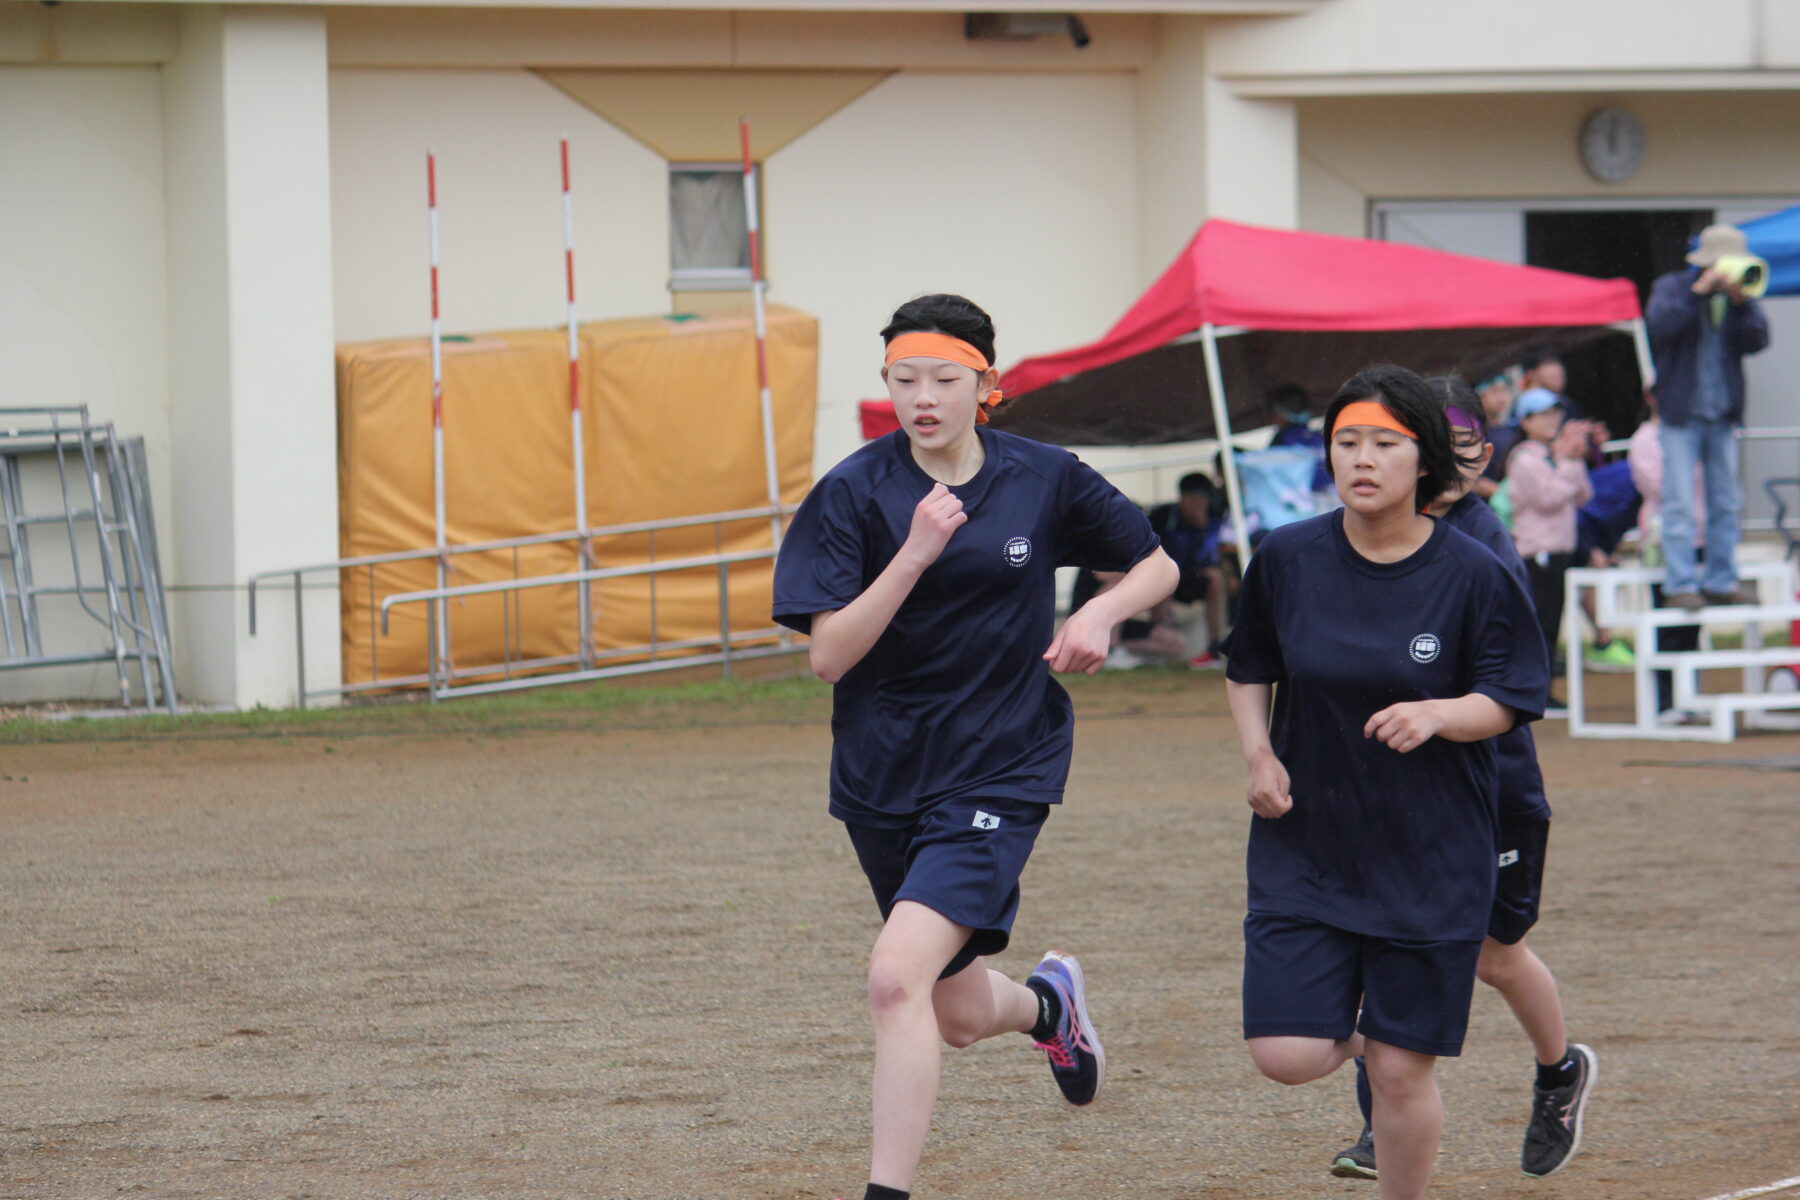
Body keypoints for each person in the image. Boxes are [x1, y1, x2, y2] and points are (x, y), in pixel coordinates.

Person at [772, 293, 1178, 1200]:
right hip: (883, 770)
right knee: (953, 1012)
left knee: (892, 981)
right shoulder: (852, 492)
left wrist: (1104, 610)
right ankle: (1049, 1007)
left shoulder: (1043, 476)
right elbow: (830, 656)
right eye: (903, 379)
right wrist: (912, 554)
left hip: (1004, 759)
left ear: (986, 384)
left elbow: (1157, 562)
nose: (922, 397)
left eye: (943, 379)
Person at [1222, 364, 1549, 1200]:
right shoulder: (1289, 557)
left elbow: (1511, 697)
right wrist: (1259, 754)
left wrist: (1442, 714)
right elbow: (1249, 664)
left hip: (1432, 854)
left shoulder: (1475, 571)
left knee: (1404, 1076)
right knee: (1285, 1055)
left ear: (1425, 460)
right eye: (1346, 443)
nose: (1362, 460)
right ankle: (1397, 1030)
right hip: (1309, 845)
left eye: (1385, 444)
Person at [1327, 377, 1598, 1183]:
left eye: (1468, 439)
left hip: (1493, 791)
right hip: (1389, 791)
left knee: (1493, 953)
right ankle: (1385, 1116)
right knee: (1381, 937)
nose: (1458, 453)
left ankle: (1559, 1072)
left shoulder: (1481, 542)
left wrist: (1441, 711)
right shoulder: (1362, 535)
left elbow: (1510, 682)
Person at [1645, 222, 1771, 609]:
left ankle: (1721, 580)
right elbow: (1659, 326)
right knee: (1679, 502)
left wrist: (1741, 301)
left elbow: (1759, 339)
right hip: (1681, 415)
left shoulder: (1739, 299)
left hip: (1721, 415)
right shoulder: (1673, 288)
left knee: (1726, 501)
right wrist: (1699, 293)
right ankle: (1680, 583)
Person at [1506, 387, 1595, 707]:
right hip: (1537, 553)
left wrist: (1570, 460)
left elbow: (1584, 495)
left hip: (1557, 551)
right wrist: (1569, 461)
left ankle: (1541, 691)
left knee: (1551, 623)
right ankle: (1535, 692)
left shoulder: (1553, 457)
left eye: (1554, 413)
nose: (1551, 420)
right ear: (1525, 420)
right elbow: (1550, 498)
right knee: (1541, 624)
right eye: (1542, 414)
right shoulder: (1525, 460)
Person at [1627, 393, 1705, 723]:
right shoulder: (1644, 440)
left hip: (1696, 537)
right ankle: (1664, 701)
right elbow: (1662, 487)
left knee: (1692, 625)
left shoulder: (1695, 433)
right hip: (1661, 539)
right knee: (1665, 621)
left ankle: (1686, 698)